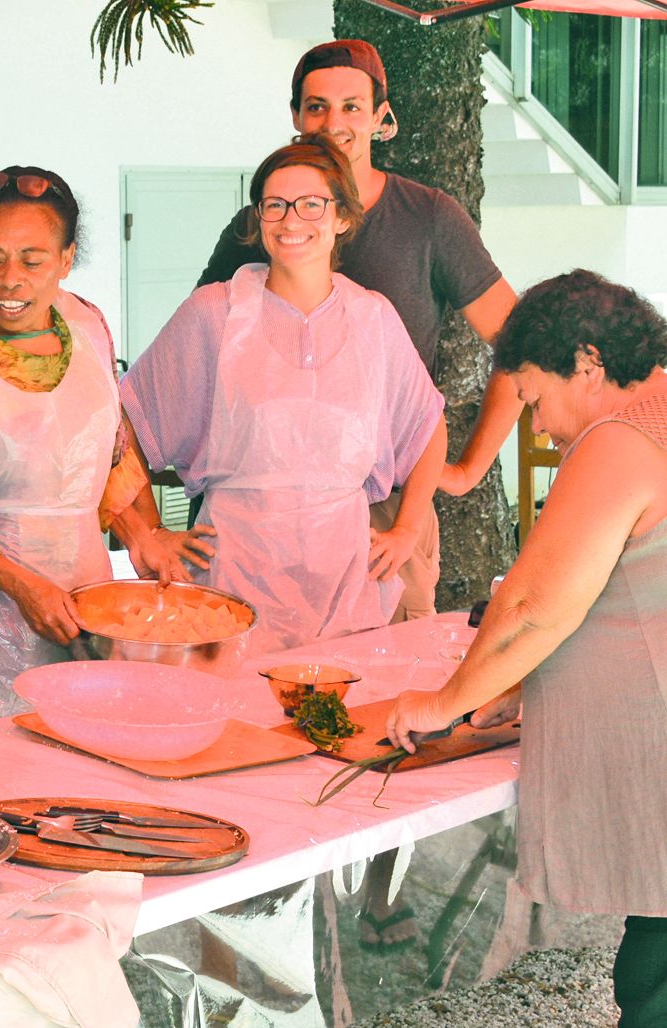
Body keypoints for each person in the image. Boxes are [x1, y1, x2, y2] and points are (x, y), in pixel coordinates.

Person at [387, 270, 667, 1028]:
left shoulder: (622, 436)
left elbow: (535, 604)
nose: (536, 424)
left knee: (657, 1004)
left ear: (587, 361)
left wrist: (446, 702)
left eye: (535, 397)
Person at [197, 38, 519, 620]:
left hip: (386, 512)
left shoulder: (429, 218)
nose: (333, 122)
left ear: (380, 115)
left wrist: (470, 468)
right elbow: (198, 358)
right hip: (264, 517)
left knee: (380, 689)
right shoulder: (262, 224)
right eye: (316, 106)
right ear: (296, 116)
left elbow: (524, 348)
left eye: (352, 107)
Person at [0, 166, 194, 738]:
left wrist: (142, 536)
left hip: (83, 606)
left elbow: (111, 454)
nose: (9, 280)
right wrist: (25, 588)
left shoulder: (89, 326)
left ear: (66, 257)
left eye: (32, 261)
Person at [123, 136, 447, 653]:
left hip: (344, 578)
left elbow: (428, 424)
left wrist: (408, 529)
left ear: (342, 216)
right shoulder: (215, 314)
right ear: (259, 219)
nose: (291, 220)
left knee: (339, 722)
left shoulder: (374, 318)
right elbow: (122, 424)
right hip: (234, 575)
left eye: (311, 203)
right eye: (275, 205)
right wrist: (147, 532)